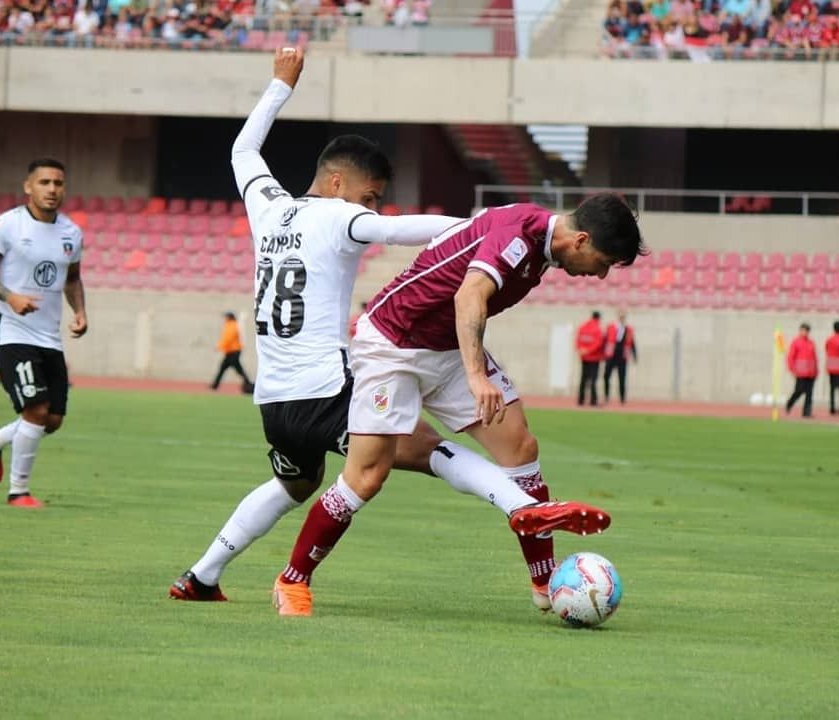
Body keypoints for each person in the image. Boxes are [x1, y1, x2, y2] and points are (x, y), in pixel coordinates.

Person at [170, 48, 605, 606]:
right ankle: (523, 508)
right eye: (369, 194)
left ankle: (201, 577)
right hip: (326, 387)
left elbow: (244, 149)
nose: (372, 206)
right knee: (423, 450)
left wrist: (280, 85)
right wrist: (484, 229)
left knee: (295, 485)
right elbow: (409, 230)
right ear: (335, 182)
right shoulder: (341, 216)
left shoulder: (266, 204)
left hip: (274, 399)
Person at [274, 192, 647, 617]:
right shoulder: (519, 237)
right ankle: (293, 578)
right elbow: (469, 295)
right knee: (367, 476)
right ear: (580, 240)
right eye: (603, 263)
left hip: (446, 347)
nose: (599, 276)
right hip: (392, 344)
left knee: (520, 448)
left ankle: (545, 582)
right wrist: (476, 375)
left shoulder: (541, 243)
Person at [0, 158, 88, 508]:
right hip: (13, 334)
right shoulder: (7, 225)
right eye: (45, 182)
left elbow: (72, 278)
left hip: (50, 337)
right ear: (28, 187)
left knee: (51, 420)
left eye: (58, 183)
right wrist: (11, 296)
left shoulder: (71, 233)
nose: (52, 189)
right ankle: (18, 492)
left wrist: (80, 311)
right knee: (35, 411)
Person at [211, 311, 253, 393]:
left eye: (226, 317)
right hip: (230, 351)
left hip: (234, 351)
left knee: (237, 370)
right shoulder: (229, 325)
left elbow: (228, 338)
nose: (224, 319)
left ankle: (249, 385)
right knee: (224, 368)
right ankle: (214, 385)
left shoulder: (232, 325)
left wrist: (219, 346)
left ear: (229, 317)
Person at [603, 309, 636, 405]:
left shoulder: (628, 329)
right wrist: (603, 354)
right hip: (611, 355)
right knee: (606, 376)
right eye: (620, 315)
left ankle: (622, 398)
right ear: (617, 316)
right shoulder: (611, 327)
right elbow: (605, 340)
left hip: (622, 356)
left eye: (623, 316)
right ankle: (606, 396)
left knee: (622, 378)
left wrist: (634, 355)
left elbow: (632, 342)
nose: (622, 317)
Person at [785, 322, 817, 418]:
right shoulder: (796, 342)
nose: (805, 332)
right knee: (799, 391)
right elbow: (790, 357)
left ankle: (806, 412)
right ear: (800, 331)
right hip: (800, 372)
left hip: (811, 373)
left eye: (807, 331)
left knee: (809, 394)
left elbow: (814, 358)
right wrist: (792, 369)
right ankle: (789, 403)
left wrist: (816, 370)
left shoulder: (811, 343)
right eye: (803, 330)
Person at [575, 310, 605, 406]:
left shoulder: (582, 327)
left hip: (584, 357)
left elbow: (578, 340)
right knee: (593, 379)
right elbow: (598, 343)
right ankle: (593, 400)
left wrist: (581, 350)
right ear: (598, 318)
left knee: (583, 378)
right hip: (594, 358)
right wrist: (589, 351)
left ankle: (580, 400)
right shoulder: (597, 329)